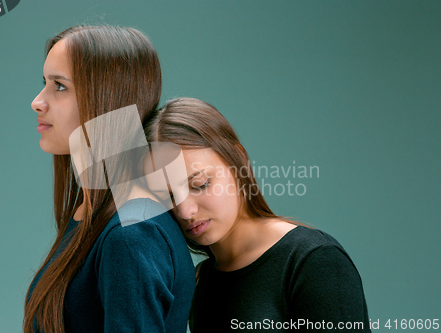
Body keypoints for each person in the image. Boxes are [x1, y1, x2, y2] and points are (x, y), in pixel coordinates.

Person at [143, 97, 371, 332]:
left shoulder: (313, 261)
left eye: (199, 184)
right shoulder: (200, 281)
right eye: (166, 197)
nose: (184, 211)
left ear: (238, 161)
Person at [26, 25, 195, 333]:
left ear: (108, 99)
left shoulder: (132, 234)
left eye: (59, 86)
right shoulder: (94, 216)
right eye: (44, 83)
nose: (38, 101)